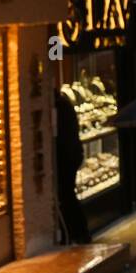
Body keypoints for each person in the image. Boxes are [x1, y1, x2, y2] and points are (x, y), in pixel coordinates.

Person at [54, 88, 91, 244]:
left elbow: (62, 138)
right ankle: (77, 232)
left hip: (66, 158)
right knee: (68, 195)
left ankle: (75, 233)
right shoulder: (64, 104)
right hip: (71, 156)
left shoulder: (59, 107)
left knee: (66, 195)